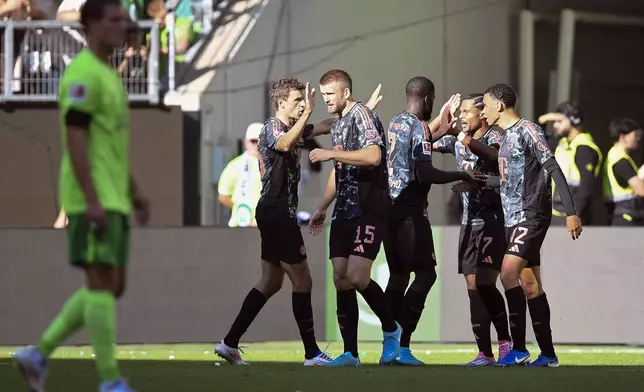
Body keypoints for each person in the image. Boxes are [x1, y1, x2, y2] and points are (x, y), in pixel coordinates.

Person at [13, 2, 150, 392]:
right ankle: (110, 381)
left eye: (124, 19)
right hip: (92, 197)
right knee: (101, 282)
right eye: (114, 19)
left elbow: (109, 147)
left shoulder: (109, 77)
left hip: (114, 196)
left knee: (112, 285)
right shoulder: (82, 74)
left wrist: (135, 193)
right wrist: (90, 199)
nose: (122, 25)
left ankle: (38, 355)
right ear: (90, 25)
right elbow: (75, 139)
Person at [215, 76, 382, 366]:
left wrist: (358, 111)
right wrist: (306, 115)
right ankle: (311, 354)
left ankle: (229, 343)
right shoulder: (271, 129)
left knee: (269, 283)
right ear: (281, 103)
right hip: (277, 214)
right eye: (297, 101)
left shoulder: (295, 129)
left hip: (274, 213)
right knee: (303, 281)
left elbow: (328, 125)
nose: (303, 105)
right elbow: (284, 143)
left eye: (303, 101)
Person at [478, 83, 582, 368]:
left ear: (499, 105)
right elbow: (513, 179)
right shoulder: (506, 137)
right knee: (529, 284)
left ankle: (519, 349)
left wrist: (571, 212)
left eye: (485, 105)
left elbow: (552, 167)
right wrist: (482, 182)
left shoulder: (528, 130)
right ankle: (548, 355)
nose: (483, 110)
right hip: (512, 217)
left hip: (531, 214)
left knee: (507, 272)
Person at [383, 78, 480, 365]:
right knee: (426, 275)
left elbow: (412, 153)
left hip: (391, 212)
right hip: (411, 212)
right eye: (433, 100)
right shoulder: (419, 126)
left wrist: (437, 132)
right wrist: (462, 175)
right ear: (427, 99)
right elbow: (425, 173)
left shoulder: (396, 122)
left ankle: (389, 346)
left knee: (399, 277)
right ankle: (402, 345)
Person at [308, 69, 399, 367]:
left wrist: (332, 155)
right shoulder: (340, 123)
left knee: (358, 277)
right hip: (344, 211)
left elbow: (373, 156)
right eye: (323, 96)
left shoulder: (363, 116)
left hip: (369, 209)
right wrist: (322, 206)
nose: (327, 100)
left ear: (345, 92)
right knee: (340, 279)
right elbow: (340, 171)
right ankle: (350, 353)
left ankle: (391, 328)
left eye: (330, 94)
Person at [433, 93, 512, 366]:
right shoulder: (456, 140)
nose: (461, 117)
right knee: (471, 285)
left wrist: (478, 180)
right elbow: (425, 142)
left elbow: (506, 173)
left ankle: (506, 343)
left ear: (481, 114)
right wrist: (441, 123)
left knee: (486, 283)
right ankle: (484, 352)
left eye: (466, 112)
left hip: (493, 222)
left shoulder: (497, 138)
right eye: (460, 112)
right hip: (468, 224)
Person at [538, 101, 602, 225]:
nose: (555, 125)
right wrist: (543, 120)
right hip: (557, 211)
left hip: (571, 215)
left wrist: (574, 213)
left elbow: (586, 184)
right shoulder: (563, 143)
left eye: (559, 121)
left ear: (574, 120)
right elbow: (540, 142)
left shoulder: (584, 147)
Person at [217, 122, 263, 227]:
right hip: (241, 225)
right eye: (253, 141)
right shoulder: (234, 166)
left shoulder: (273, 165)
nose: (257, 144)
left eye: (261, 141)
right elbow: (223, 195)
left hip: (266, 227)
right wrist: (240, 209)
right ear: (246, 143)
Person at [603, 118, 644, 226]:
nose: (638, 139)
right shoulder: (620, 160)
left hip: (620, 214)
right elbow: (641, 190)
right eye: (636, 135)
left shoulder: (614, 155)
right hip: (627, 216)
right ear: (623, 137)